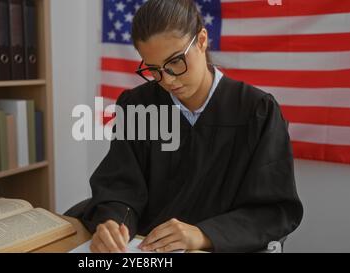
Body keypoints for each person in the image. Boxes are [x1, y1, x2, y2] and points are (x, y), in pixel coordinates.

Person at [78, 0, 303, 253]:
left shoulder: (257, 111)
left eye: (175, 62)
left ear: (201, 40)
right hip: (146, 249)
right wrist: (114, 225)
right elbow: (120, 186)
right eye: (154, 69)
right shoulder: (137, 105)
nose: (168, 80)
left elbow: (273, 211)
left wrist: (203, 234)